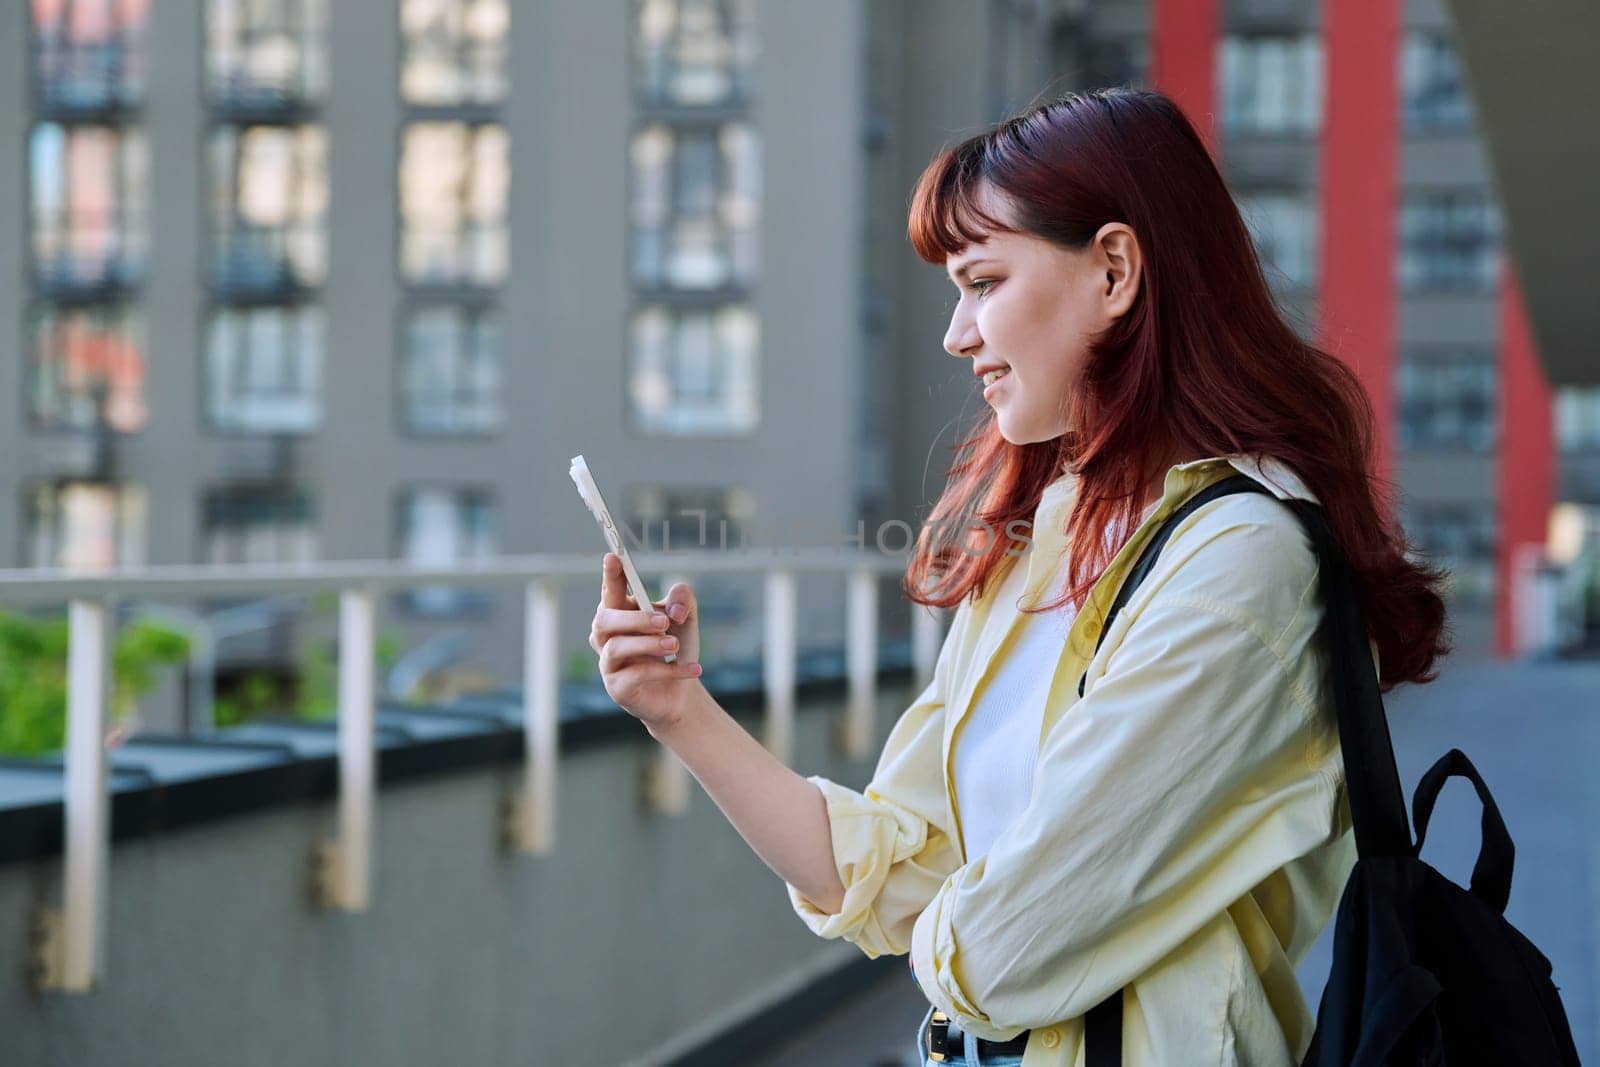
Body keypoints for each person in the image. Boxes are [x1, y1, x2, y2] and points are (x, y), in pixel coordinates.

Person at [588, 87, 1451, 1066]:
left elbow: (999, 952)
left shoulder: (1241, 558)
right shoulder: (1043, 540)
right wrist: (676, 708)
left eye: (983, 281)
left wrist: (949, 914)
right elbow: (894, 867)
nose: (958, 334)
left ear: (1115, 270)